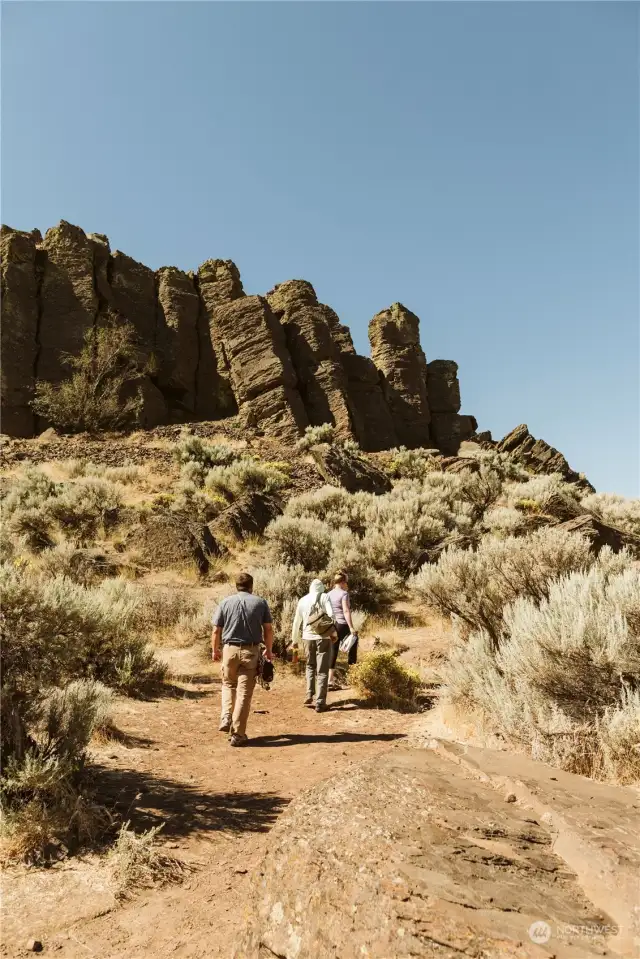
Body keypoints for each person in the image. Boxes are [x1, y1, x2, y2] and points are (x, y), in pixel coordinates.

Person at [211, 571, 273, 747]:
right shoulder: (260, 603)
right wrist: (268, 650)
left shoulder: (225, 602)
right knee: (244, 694)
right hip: (251, 651)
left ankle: (225, 716)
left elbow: (216, 630)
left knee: (228, 684)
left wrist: (215, 650)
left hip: (229, 650)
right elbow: (268, 629)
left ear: (236, 586)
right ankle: (238, 735)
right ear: (251, 586)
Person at [291, 579, 337, 713]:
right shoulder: (325, 597)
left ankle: (309, 694)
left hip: (307, 638)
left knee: (310, 666)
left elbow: (296, 622)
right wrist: (331, 632)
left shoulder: (302, 600)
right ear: (321, 588)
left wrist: (294, 640)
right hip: (323, 638)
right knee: (322, 671)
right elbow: (332, 615)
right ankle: (320, 702)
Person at [328, 571, 358, 690]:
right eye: (346, 582)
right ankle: (353, 675)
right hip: (342, 624)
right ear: (341, 582)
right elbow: (346, 611)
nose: (347, 584)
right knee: (354, 641)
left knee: (333, 651)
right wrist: (351, 627)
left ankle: (330, 680)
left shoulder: (328, 594)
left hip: (332, 625)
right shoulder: (344, 594)